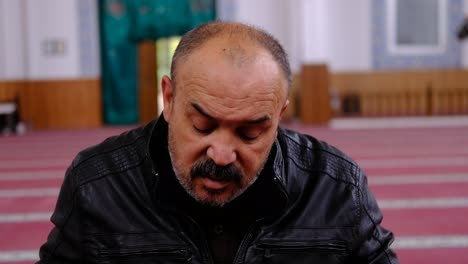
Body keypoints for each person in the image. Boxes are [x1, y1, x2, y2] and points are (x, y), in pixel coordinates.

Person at [37, 21, 399, 264]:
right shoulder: (98, 186)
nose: (222, 155)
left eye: (250, 133)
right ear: (169, 98)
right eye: (202, 125)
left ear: (279, 115)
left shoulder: (336, 189)